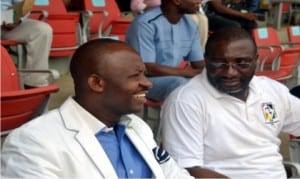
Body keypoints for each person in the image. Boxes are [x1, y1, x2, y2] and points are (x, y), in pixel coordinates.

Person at [1, 39, 194, 179]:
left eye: (144, 74)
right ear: (97, 83)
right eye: (135, 76)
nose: (147, 84)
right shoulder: (34, 142)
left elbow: (174, 175)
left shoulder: (137, 127)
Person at [161, 27, 300, 178]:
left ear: (256, 60)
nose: (230, 72)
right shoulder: (185, 102)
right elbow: (185, 170)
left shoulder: (270, 90)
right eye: (219, 63)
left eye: (241, 63)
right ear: (206, 60)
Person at [126, 0, 205, 101]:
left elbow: (199, 65)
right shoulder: (145, 23)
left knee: (214, 83)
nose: (200, 1)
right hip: (139, 84)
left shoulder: (190, 25)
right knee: (182, 85)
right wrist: (185, 73)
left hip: (173, 79)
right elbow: (146, 68)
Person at [1, 0, 53, 87]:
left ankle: (34, 83)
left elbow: (22, 6)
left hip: (7, 21)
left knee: (43, 30)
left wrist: (18, 20)